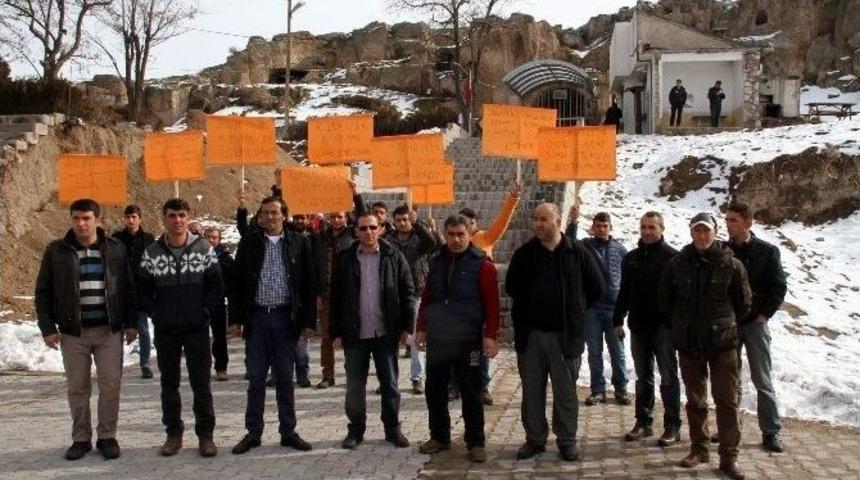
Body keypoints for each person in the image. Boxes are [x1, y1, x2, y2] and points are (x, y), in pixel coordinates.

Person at [36, 198, 138, 461]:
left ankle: (107, 436)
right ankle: (80, 438)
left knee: (110, 385)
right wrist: (47, 328)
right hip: (74, 333)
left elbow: (128, 288)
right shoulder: (56, 251)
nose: (81, 224)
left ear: (98, 220)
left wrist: (131, 323)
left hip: (109, 331)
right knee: (78, 387)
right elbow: (43, 291)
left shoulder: (115, 249)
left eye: (86, 218)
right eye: (76, 218)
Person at [505, 203, 604, 461]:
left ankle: (567, 440)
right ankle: (535, 439)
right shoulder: (524, 254)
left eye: (543, 219)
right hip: (532, 336)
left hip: (565, 337)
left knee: (565, 393)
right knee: (532, 392)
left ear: (558, 222)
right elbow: (512, 287)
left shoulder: (577, 252)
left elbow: (596, 287)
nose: (538, 224)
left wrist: (576, 309)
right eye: (535, 219)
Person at [659, 212, 751, 480]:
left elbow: (743, 304)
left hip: (723, 344)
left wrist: (723, 325)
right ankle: (699, 448)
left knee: (727, 401)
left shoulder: (731, 264)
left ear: (715, 232)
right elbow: (665, 301)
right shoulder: (677, 264)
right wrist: (680, 326)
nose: (701, 235)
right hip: (689, 343)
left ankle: (729, 457)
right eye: (697, 230)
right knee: (695, 400)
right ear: (691, 233)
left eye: (706, 230)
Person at [229, 196, 317, 455]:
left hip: (285, 320)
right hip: (257, 319)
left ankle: (288, 432)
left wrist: (308, 322)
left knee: (285, 379)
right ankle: (253, 432)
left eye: (275, 212)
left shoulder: (299, 243)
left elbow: (309, 284)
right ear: (259, 217)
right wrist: (235, 319)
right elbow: (236, 283)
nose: (270, 217)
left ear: (284, 215)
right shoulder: (250, 243)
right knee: (256, 379)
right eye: (265, 212)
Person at [138, 198, 223, 458]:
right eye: (172, 215)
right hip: (167, 330)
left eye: (182, 215)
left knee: (201, 383)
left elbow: (216, 287)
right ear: (164, 218)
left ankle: (206, 436)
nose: (177, 220)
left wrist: (204, 312)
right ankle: (173, 434)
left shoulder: (204, 249)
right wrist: (156, 313)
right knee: (169, 383)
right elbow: (142, 290)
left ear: (188, 217)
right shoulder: (151, 252)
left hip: (196, 328)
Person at [415, 215, 501, 464]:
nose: (455, 239)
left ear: (469, 235)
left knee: (472, 391)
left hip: (469, 341)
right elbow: (427, 298)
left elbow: (492, 305)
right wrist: (421, 328)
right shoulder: (436, 261)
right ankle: (439, 436)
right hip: (439, 339)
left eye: (460, 234)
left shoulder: (482, 265)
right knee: (434, 390)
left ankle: (475, 442)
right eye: (451, 234)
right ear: (445, 234)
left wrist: (490, 336)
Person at [330, 212, 415, 450]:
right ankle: (356, 430)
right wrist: (335, 332)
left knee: (390, 384)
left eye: (372, 227)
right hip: (354, 335)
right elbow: (335, 298)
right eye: (363, 228)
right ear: (355, 231)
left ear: (381, 229)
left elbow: (407, 292)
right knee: (354, 387)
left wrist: (407, 327)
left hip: (385, 333)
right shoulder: (345, 259)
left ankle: (392, 428)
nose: (368, 232)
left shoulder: (393, 256)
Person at [613, 212, 682, 446]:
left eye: (652, 227)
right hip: (638, 326)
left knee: (668, 377)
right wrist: (617, 319)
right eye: (643, 227)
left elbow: (679, 296)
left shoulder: (673, 258)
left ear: (662, 229)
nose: (647, 231)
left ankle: (672, 426)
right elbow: (624, 291)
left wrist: (675, 324)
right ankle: (643, 422)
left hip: (663, 328)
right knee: (643, 377)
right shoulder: (631, 258)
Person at [725, 202, 787, 453]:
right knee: (729, 378)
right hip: (729, 323)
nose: (728, 225)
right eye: (727, 220)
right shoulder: (723, 251)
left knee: (762, 378)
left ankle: (771, 431)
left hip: (755, 324)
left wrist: (764, 314)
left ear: (748, 223)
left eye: (733, 220)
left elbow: (778, 287)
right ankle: (730, 428)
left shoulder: (767, 252)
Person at [457, 180, 522, 405]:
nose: (467, 226)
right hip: (460, 304)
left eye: (471, 223)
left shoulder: (485, 238)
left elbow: (502, 221)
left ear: (475, 224)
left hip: (481, 305)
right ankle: (456, 384)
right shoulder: (455, 243)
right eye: (463, 222)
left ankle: (482, 385)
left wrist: (513, 198)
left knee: (480, 348)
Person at [315, 182, 368, 389]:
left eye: (339, 216)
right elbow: (315, 266)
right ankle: (327, 374)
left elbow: (364, 216)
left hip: (350, 292)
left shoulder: (353, 235)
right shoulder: (320, 238)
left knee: (351, 334)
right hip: (327, 294)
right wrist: (317, 293)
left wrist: (356, 195)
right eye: (333, 216)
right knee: (327, 336)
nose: (336, 220)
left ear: (346, 217)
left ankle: (352, 373)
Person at [388, 205, 440, 394]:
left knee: (416, 336)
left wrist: (418, 223)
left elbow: (432, 242)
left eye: (405, 219)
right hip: (394, 293)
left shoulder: (419, 238)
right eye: (399, 220)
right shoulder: (388, 241)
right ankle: (389, 378)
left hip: (417, 292)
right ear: (394, 221)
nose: (402, 223)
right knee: (391, 337)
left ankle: (416, 377)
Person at [579, 212, 629, 405]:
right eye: (598, 226)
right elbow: (568, 244)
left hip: (615, 309)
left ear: (610, 227)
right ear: (593, 228)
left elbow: (628, 278)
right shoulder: (585, 246)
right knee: (594, 352)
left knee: (618, 351)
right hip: (592, 309)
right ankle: (598, 390)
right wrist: (573, 222)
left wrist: (625, 306)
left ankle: (621, 389)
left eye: (605, 226)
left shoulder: (620, 250)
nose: (601, 229)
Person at [112, 204, 156, 379]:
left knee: (142, 329)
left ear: (140, 219)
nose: (131, 220)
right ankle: (116, 364)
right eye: (128, 217)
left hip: (140, 291)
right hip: (120, 290)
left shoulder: (148, 239)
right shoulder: (117, 239)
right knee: (117, 331)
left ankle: (145, 363)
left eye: (134, 217)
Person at [203, 226, 234, 381]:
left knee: (219, 337)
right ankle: (202, 368)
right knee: (200, 338)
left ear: (219, 239)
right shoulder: (196, 256)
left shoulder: (226, 259)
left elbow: (233, 282)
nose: (211, 240)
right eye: (208, 237)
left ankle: (221, 368)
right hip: (200, 304)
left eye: (214, 237)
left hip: (218, 303)